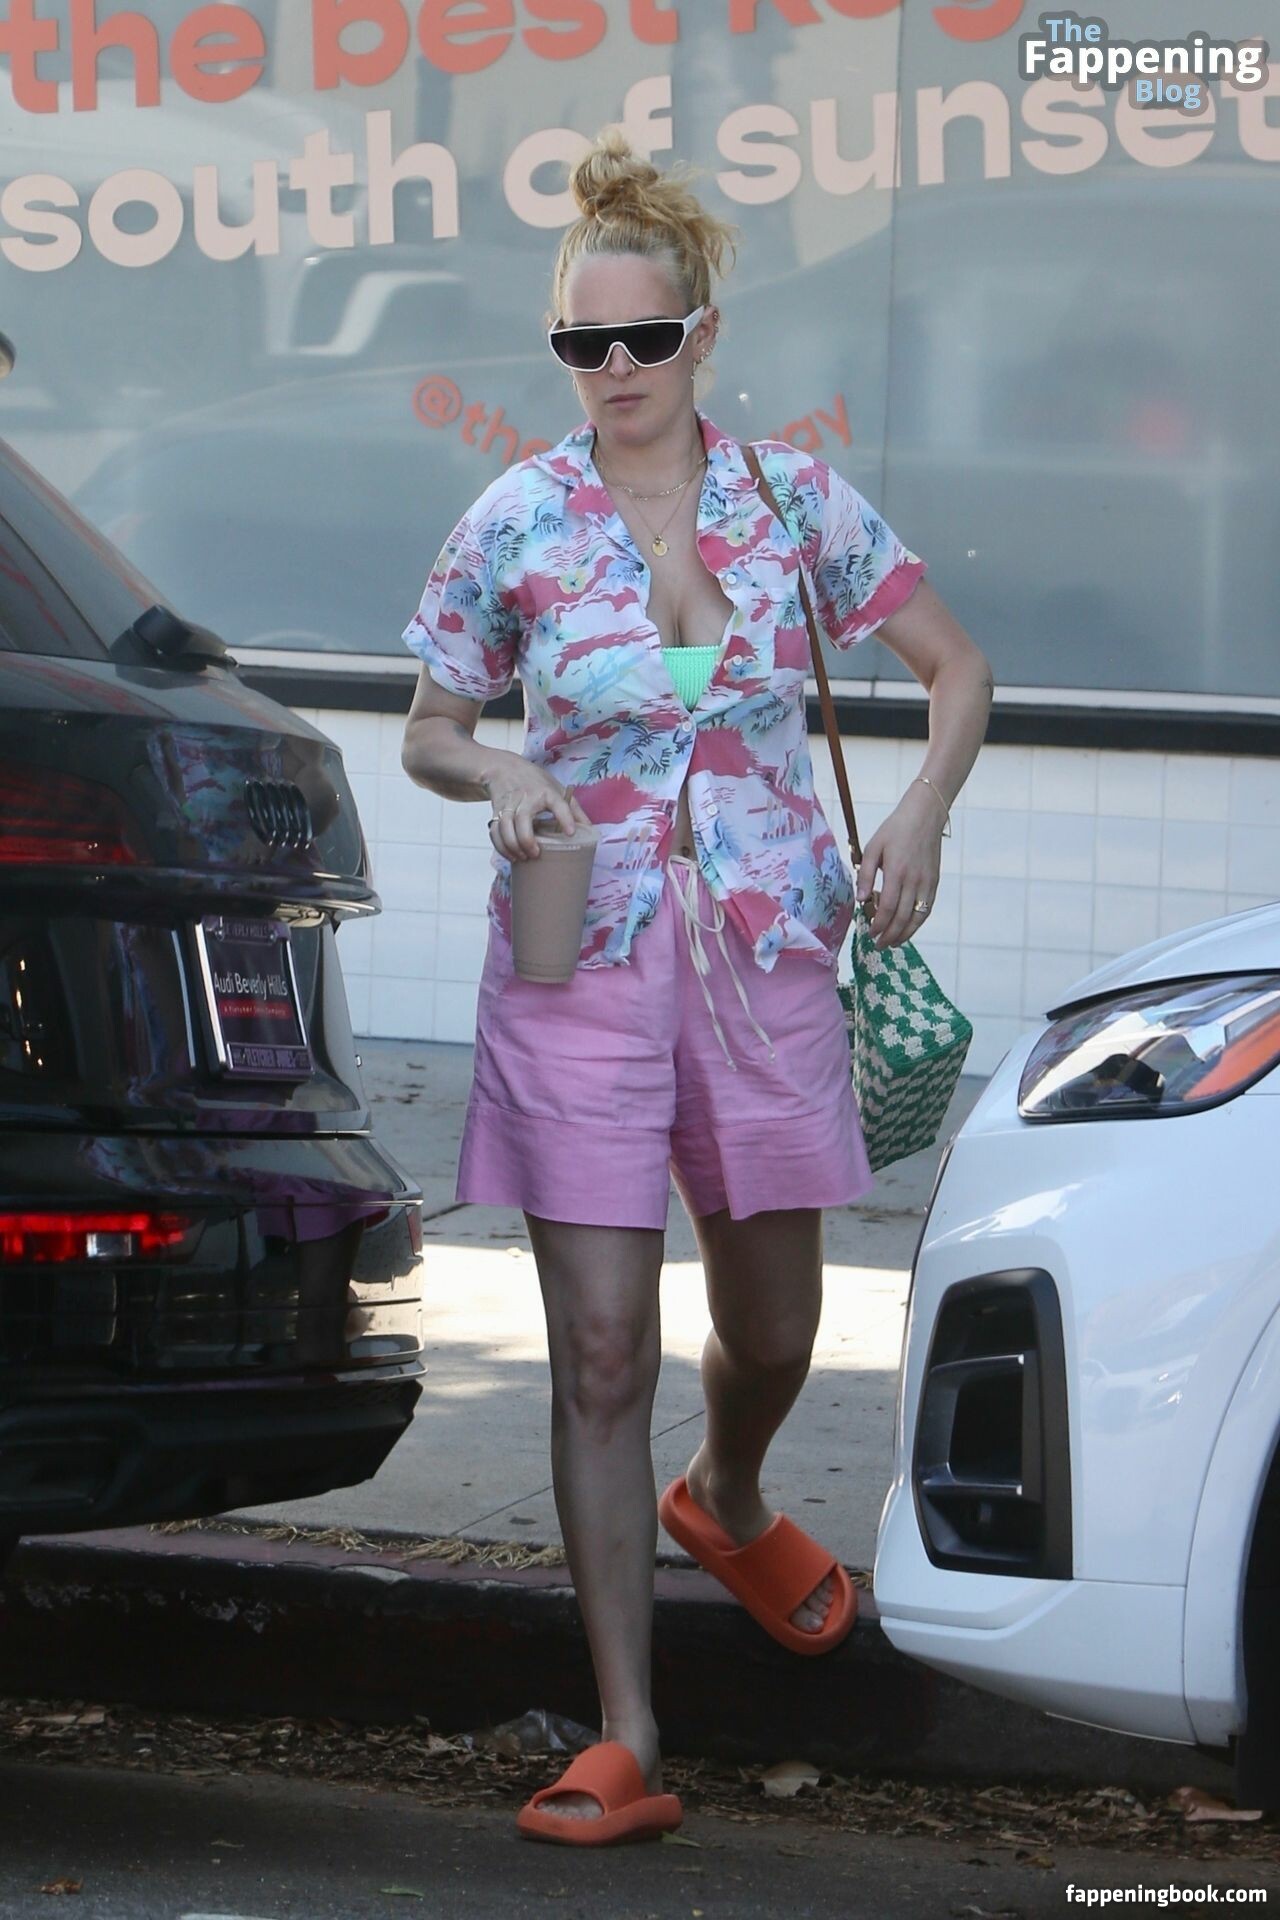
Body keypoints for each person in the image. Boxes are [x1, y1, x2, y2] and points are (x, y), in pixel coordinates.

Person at [400, 129, 993, 1848]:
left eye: (644, 338)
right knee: (599, 1347)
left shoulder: (791, 502)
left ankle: (725, 1487)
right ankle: (629, 1728)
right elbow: (430, 725)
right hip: (574, 958)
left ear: (703, 336)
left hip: (761, 958)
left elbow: (957, 670)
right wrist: (500, 769)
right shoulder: (517, 516)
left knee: (780, 1326)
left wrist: (917, 813)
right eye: (584, 344)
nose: (616, 370)